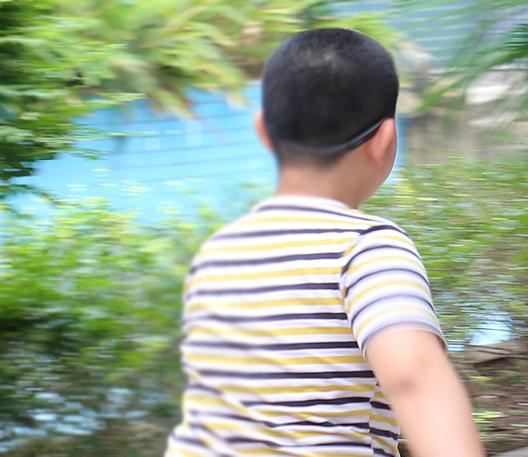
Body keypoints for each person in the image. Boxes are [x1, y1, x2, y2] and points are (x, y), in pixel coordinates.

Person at [166, 28, 485, 457]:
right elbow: (414, 378)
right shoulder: (366, 248)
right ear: (385, 140)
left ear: (263, 131)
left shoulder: (218, 252)